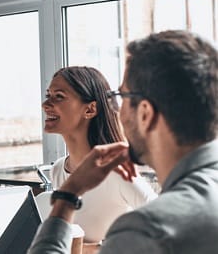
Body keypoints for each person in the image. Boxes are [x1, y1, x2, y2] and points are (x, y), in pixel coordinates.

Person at [29, 30, 218, 253]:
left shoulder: (144, 232)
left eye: (122, 98)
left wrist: (67, 197)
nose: (116, 110)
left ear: (145, 113)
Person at [42, 66, 157, 242]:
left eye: (59, 97)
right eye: (48, 95)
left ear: (90, 110)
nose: (46, 104)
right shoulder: (58, 169)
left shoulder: (116, 171)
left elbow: (165, 222)